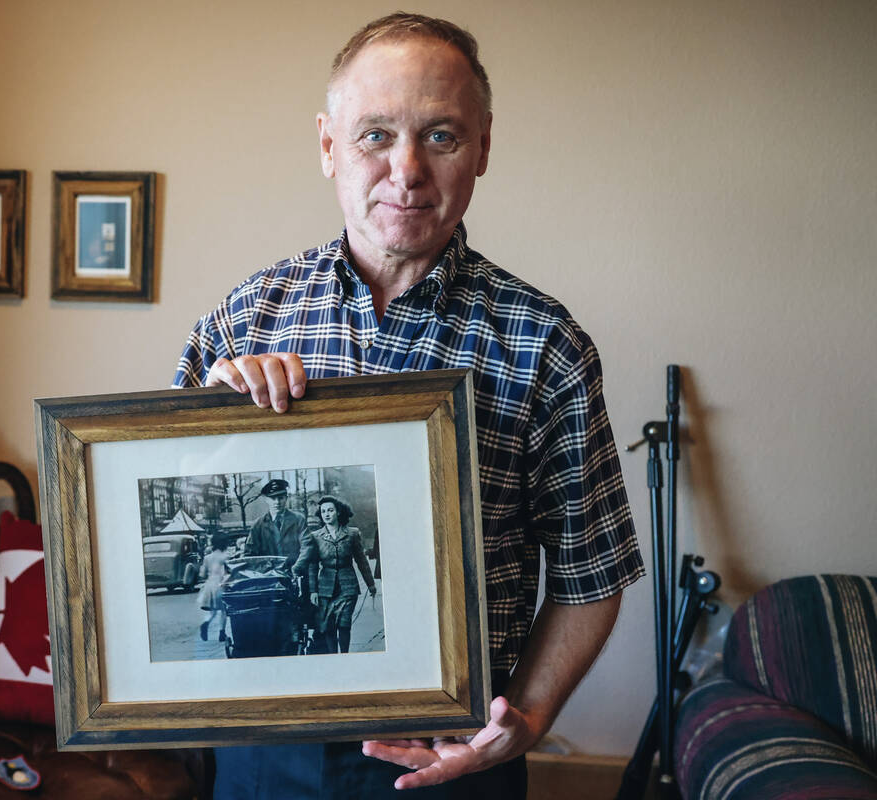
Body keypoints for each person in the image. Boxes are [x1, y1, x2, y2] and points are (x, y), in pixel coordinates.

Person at [172, 12, 644, 799]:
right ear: (328, 146)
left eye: (442, 136)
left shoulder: (546, 345)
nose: (408, 169)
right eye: (375, 135)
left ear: (483, 146)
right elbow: (166, 501)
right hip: (263, 757)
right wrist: (209, 435)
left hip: (452, 764)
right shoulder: (243, 319)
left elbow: (591, 576)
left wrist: (522, 720)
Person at [296, 495, 377, 654]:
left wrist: (371, 584)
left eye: (330, 510)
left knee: (344, 624)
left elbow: (361, 561)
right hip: (325, 587)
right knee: (329, 626)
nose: (326, 514)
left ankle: (345, 654)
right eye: (323, 511)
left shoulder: (352, 534)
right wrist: (313, 591)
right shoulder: (316, 536)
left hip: (348, 587)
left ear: (338, 512)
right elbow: (313, 565)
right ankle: (334, 656)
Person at [242, 478, 310, 571]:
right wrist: (267, 571)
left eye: (281, 498)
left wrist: (297, 567)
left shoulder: (299, 520)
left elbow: (307, 547)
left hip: (296, 574)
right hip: (269, 578)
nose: (277, 502)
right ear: (266, 499)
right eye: (273, 498)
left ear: (286, 498)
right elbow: (249, 556)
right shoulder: (258, 525)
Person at [197, 534, 232, 643]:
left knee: (212, 611)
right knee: (224, 611)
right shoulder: (226, 557)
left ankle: (205, 623)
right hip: (222, 584)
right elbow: (230, 572)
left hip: (209, 585)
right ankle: (222, 633)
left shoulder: (207, 557)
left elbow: (202, 574)